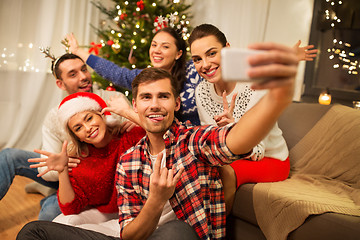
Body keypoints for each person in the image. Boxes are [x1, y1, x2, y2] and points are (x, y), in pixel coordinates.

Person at [18, 46, 299, 239]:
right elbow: (128, 233)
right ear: (136, 106)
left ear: (176, 103)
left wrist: (276, 97)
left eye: (163, 96)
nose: (155, 105)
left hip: (180, 235)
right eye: (146, 98)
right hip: (137, 234)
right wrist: (155, 200)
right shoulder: (129, 161)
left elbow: (236, 139)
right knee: (34, 232)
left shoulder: (194, 141)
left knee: (176, 230)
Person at [67, 29, 317, 126]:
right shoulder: (146, 77)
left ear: (178, 54)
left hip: (207, 134)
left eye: (165, 46)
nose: (156, 50)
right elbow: (116, 73)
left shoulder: (196, 68)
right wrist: (80, 52)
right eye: (154, 45)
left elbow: (237, 62)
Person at [0, 53, 131, 220]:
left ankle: (47, 193)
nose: (84, 77)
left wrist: (133, 117)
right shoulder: (54, 116)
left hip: (100, 183)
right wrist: (66, 164)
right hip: (68, 177)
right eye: (73, 74)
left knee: (49, 213)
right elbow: (46, 170)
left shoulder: (115, 100)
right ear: (60, 84)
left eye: (84, 69)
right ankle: (48, 189)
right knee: (8, 156)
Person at [187, 23, 291, 213]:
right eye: (197, 59)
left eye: (211, 53)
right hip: (227, 156)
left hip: (270, 159)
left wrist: (234, 130)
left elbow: (258, 151)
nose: (205, 64)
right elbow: (208, 139)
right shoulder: (201, 90)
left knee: (223, 172)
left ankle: (215, 233)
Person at [28, 92, 145, 237]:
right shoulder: (79, 160)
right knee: (63, 221)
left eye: (89, 118)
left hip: (140, 210)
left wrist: (134, 117)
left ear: (102, 114)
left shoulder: (130, 134)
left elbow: (165, 134)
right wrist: (62, 171)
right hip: (107, 214)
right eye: (78, 128)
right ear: (76, 136)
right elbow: (70, 208)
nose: (88, 128)